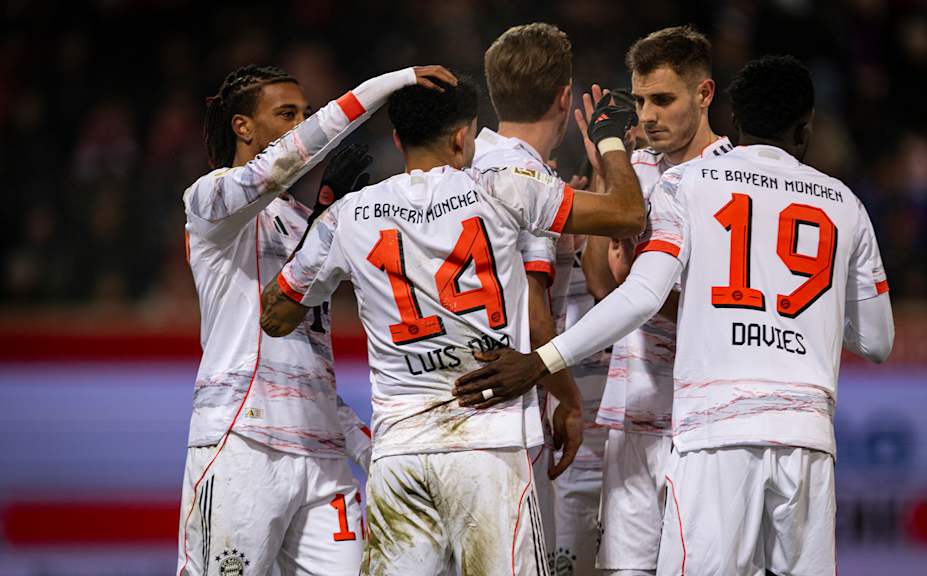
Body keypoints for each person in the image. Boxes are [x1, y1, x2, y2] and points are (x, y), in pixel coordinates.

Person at [455, 55, 895, 576]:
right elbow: (876, 340)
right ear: (807, 128)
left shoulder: (688, 185)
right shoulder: (846, 204)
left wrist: (542, 361)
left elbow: (641, 294)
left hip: (717, 433)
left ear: (733, 119)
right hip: (807, 438)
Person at [259, 75, 643, 575]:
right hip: (491, 447)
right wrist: (611, 141)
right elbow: (628, 214)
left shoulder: (349, 216)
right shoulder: (504, 188)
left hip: (400, 454)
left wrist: (323, 220)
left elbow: (276, 316)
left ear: (397, 139)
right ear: (464, 137)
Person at [178, 62, 456, 576]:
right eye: (287, 114)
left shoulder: (308, 225)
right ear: (243, 127)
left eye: (306, 115)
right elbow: (271, 171)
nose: (301, 126)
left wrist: (372, 447)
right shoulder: (208, 203)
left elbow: (310, 359)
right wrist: (387, 84)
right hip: (244, 440)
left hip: (322, 454)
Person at [580, 26, 732, 576]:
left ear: (705, 94)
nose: (646, 116)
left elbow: (717, 307)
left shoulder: (731, 180)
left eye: (663, 100)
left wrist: (640, 293)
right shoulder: (636, 170)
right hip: (633, 406)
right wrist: (604, 180)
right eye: (640, 100)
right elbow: (602, 286)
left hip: (704, 419)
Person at [474, 22, 591, 572]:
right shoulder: (530, 180)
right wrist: (568, 397)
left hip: (446, 404)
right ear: (565, 97)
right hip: (508, 415)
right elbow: (535, 316)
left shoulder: (464, 162)